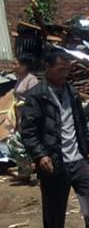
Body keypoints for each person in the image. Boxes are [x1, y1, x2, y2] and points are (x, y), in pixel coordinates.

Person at [20, 50, 89, 228]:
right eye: (60, 69)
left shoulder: (72, 92)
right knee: (54, 206)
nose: (65, 73)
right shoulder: (37, 96)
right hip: (53, 161)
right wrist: (41, 155)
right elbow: (28, 131)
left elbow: (80, 124)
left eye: (67, 69)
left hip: (76, 159)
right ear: (47, 68)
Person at [9, 54, 40, 183]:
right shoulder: (20, 79)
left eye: (15, 64)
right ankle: (25, 171)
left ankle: (33, 173)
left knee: (26, 143)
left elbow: (35, 99)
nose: (13, 66)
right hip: (20, 117)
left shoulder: (31, 80)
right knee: (15, 143)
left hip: (30, 117)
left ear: (24, 66)